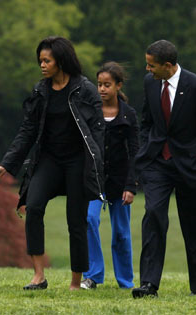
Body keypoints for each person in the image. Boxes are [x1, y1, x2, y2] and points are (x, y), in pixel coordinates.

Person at [0, 36, 105, 291]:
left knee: (76, 220)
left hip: (77, 162)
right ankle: (38, 276)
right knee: (33, 207)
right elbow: (27, 131)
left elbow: (97, 135)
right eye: (40, 60)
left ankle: (76, 282)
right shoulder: (41, 91)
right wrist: (6, 165)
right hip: (48, 160)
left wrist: (98, 169)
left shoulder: (85, 90)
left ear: (61, 61)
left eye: (46, 60)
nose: (42, 65)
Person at [132, 39, 196, 298]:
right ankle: (149, 284)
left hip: (190, 166)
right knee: (153, 217)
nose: (147, 69)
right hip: (158, 164)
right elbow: (147, 121)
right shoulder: (150, 83)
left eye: (152, 65)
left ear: (168, 66)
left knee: (195, 226)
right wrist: (145, 151)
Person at [80, 62, 139, 290]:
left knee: (121, 234)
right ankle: (93, 275)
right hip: (94, 180)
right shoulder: (90, 113)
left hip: (121, 182)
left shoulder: (129, 115)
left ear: (118, 85)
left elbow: (135, 152)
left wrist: (131, 185)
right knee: (89, 220)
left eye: (107, 85)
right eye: (99, 85)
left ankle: (126, 281)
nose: (102, 89)